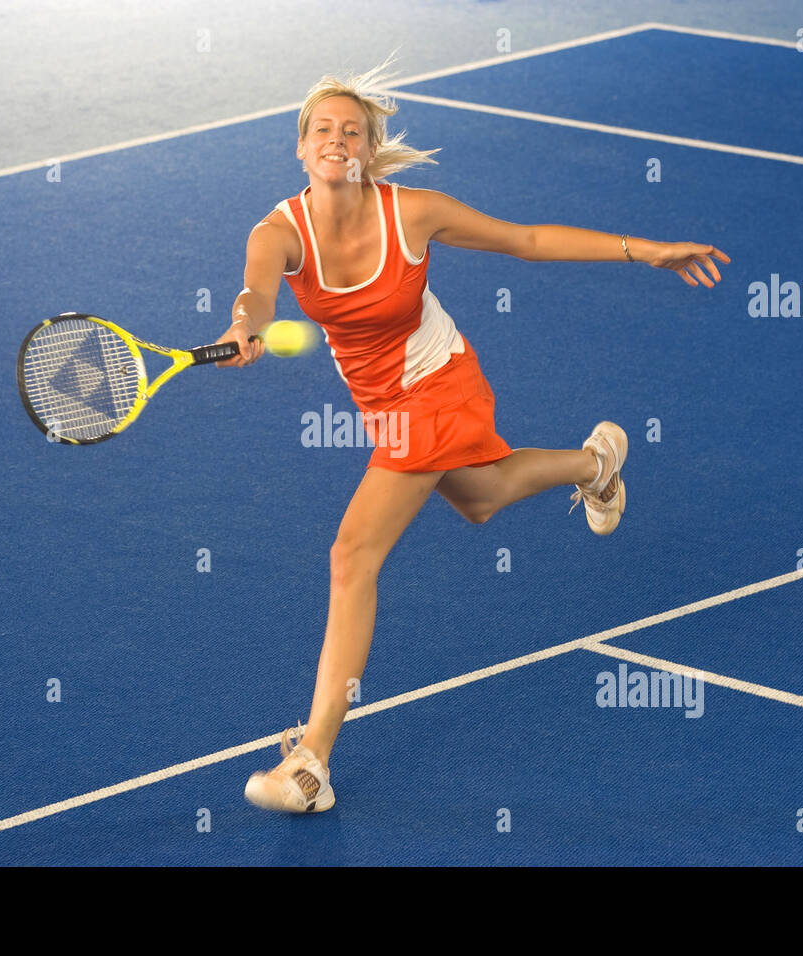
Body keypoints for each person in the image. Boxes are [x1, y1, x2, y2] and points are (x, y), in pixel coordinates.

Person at [216, 65, 729, 813]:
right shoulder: (278, 232)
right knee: (481, 499)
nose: (337, 139)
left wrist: (640, 249)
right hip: (380, 401)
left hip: (438, 379)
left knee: (352, 554)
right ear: (301, 148)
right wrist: (244, 325)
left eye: (351, 130)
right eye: (322, 129)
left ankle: (313, 759)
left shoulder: (414, 213)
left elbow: (524, 239)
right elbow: (257, 291)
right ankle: (597, 462)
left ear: (368, 148)